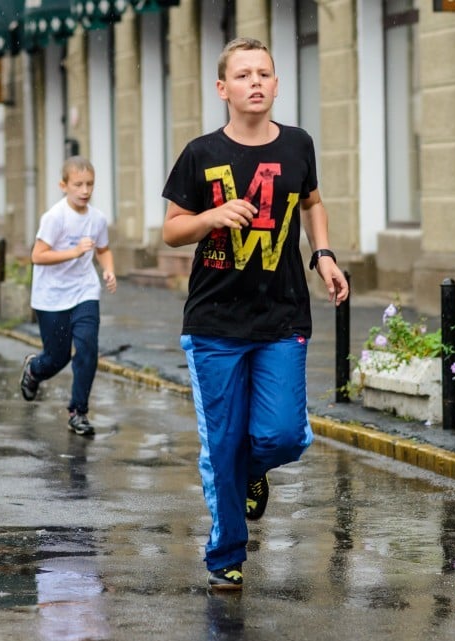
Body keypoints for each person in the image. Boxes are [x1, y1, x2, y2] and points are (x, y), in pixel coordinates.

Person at [161, 37, 349, 591]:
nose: (255, 83)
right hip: (215, 321)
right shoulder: (200, 153)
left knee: (286, 434)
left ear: (276, 83)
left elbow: (312, 202)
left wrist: (324, 255)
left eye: (264, 73)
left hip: (281, 314)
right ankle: (226, 555)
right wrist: (212, 215)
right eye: (243, 75)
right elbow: (172, 230)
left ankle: (254, 471)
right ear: (223, 89)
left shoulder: (297, 145)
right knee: (220, 443)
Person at [19, 156, 117, 437]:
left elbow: (103, 249)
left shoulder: (97, 219)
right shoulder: (55, 217)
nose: (85, 190)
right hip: (51, 296)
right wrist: (73, 252)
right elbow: (38, 255)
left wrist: (109, 271)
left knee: (87, 348)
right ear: (64, 185)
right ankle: (34, 370)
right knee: (57, 357)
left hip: (84, 290)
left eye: (90, 184)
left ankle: (78, 411)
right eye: (78, 185)